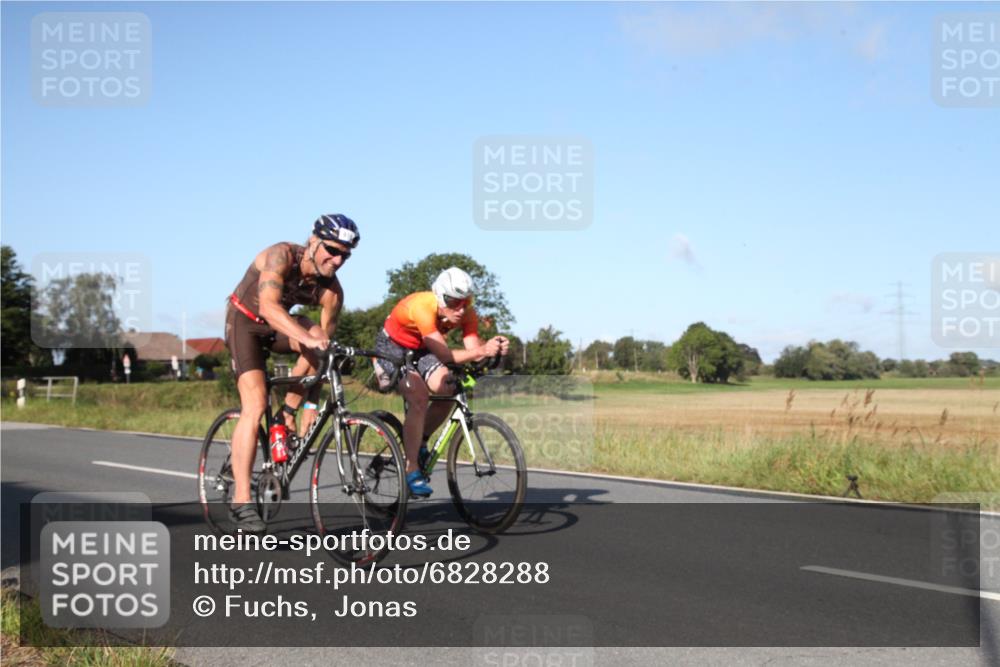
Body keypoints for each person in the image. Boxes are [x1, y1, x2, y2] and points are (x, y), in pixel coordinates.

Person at [224, 214, 359, 532]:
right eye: (331, 250)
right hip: (246, 322)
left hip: (278, 329)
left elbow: (321, 357)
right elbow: (269, 307)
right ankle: (241, 502)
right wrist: (306, 337)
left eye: (345, 255)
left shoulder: (332, 293)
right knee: (255, 405)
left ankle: (286, 414)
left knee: (322, 343)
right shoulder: (281, 255)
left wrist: (310, 404)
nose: (337, 260)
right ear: (313, 241)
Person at [373, 267, 509, 497]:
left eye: (466, 301)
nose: (461, 308)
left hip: (421, 349)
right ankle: (411, 467)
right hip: (392, 347)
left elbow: (473, 350)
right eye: (453, 301)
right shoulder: (423, 307)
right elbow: (445, 355)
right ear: (439, 296)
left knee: (448, 388)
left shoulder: (468, 314)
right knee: (418, 396)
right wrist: (481, 352)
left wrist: (493, 350)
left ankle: (421, 442)